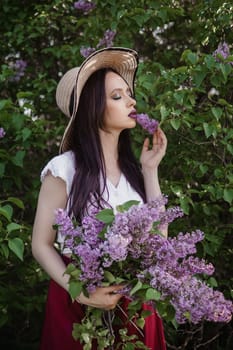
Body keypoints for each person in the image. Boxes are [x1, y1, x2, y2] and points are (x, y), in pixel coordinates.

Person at [32, 47, 167, 350]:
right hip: (78, 304)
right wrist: (79, 292)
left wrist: (150, 169)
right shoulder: (64, 169)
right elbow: (40, 244)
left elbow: (159, 240)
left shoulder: (135, 171)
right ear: (92, 108)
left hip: (135, 303)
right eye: (117, 96)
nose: (131, 101)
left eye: (128, 94)